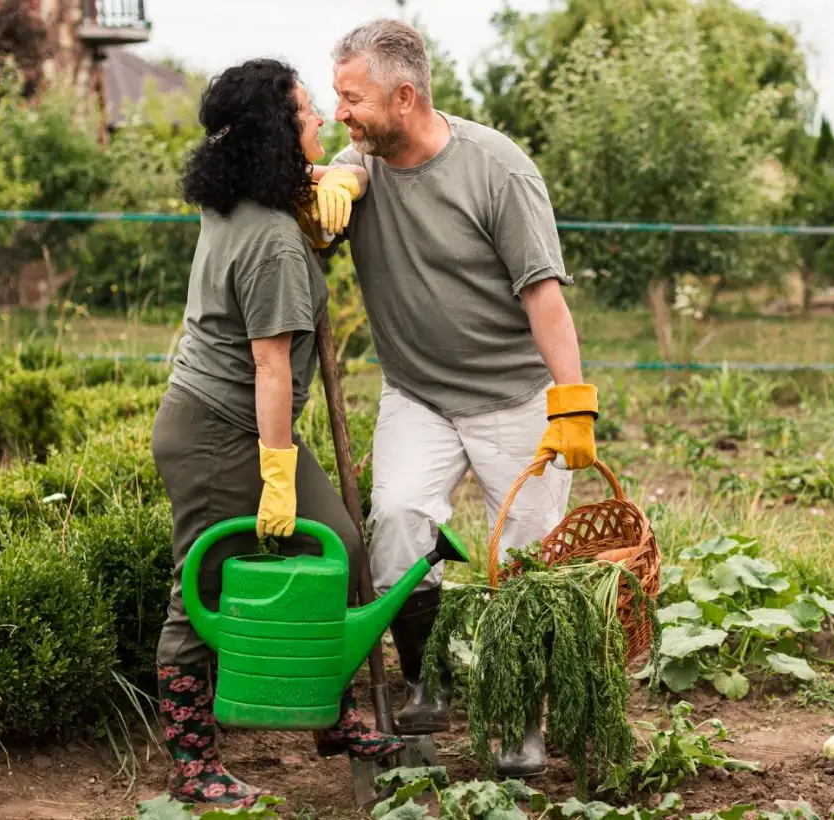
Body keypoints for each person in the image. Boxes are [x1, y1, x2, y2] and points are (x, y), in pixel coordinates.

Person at [307, 18, 602, 778]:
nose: (341, 111)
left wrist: (571, 401)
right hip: (420, 395)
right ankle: (426, 681)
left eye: (352, 96)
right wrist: (328, 184)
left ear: (404, 97)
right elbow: (326, 202)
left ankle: (521, 721)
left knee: (524, 562)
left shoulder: (497, 170)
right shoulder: (360, 165)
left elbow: (544, 297)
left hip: (514, 397)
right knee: (398, 522)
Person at [150, 57, 404, 808]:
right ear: (275, 131)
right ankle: (193, 764)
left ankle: (330, 715)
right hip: (220, 430)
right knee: (202, 582)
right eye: (305, 112)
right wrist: (276, 474)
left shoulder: (240, 205)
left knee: (344, 542)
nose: (321, 118)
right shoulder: (271, 243)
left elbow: (307, 201)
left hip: (234, 422)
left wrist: (327, 188)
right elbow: (271, 369)